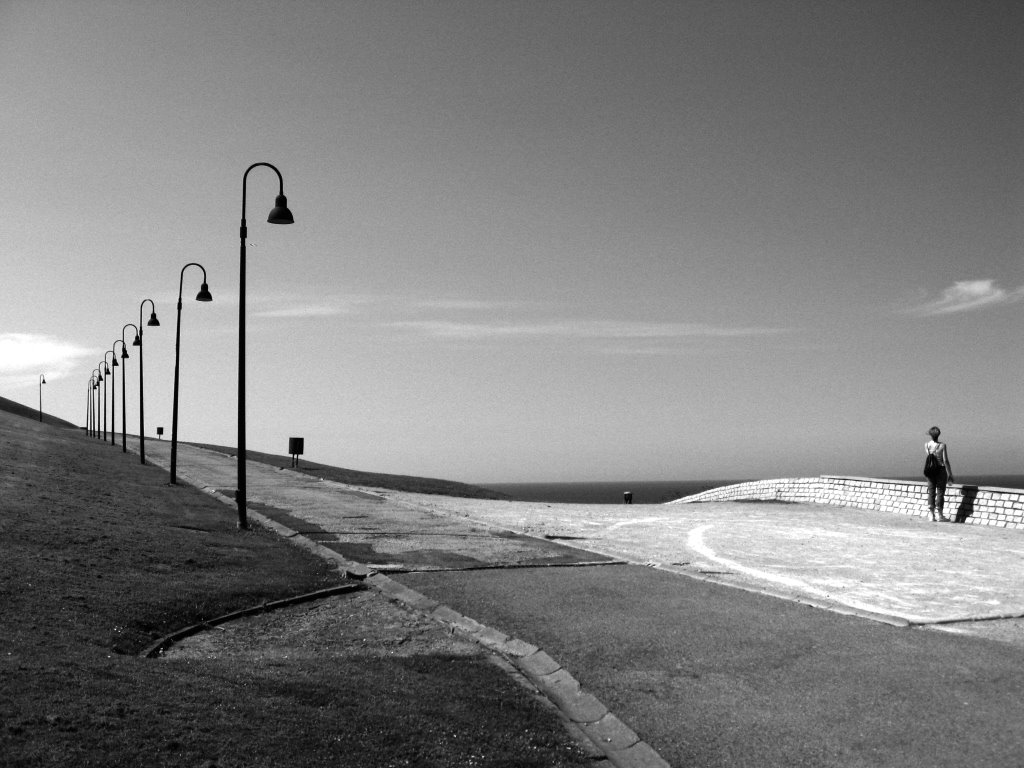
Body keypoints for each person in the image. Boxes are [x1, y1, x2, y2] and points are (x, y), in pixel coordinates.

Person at [925, 426, 954, 522]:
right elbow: (945, 460)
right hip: (940, 470)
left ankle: (931, 515)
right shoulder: (942, 445)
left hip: (930, 470)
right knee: (940, 491)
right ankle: (940, 515)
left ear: (930, 435)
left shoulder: (926, 445)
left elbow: (930, 457)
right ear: (938, 435)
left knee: (931, 491)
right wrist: (950, 474)